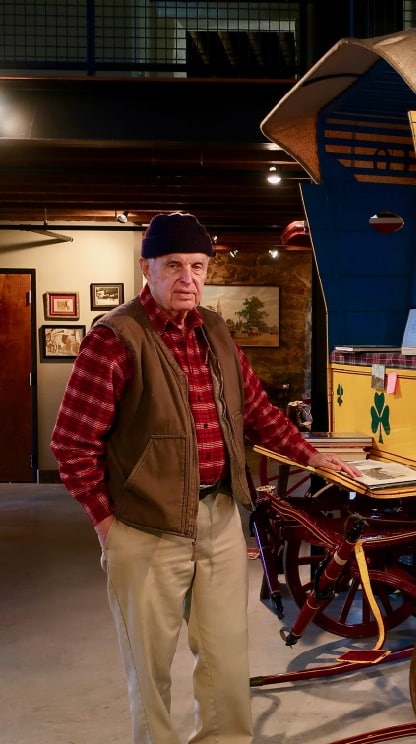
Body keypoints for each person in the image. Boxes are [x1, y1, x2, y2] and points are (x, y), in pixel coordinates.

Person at [50, 211, 361, 744]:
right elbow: (72, 443)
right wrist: (107, 524)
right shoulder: (117, 338)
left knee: (224, 658)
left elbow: (258, 410)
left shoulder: (214, 329)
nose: (188, 278)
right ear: (146, 267)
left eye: (198, 266)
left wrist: (312, 457)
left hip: (218, 517)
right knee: (150, 668)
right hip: (145, 528)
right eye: (173, 265)